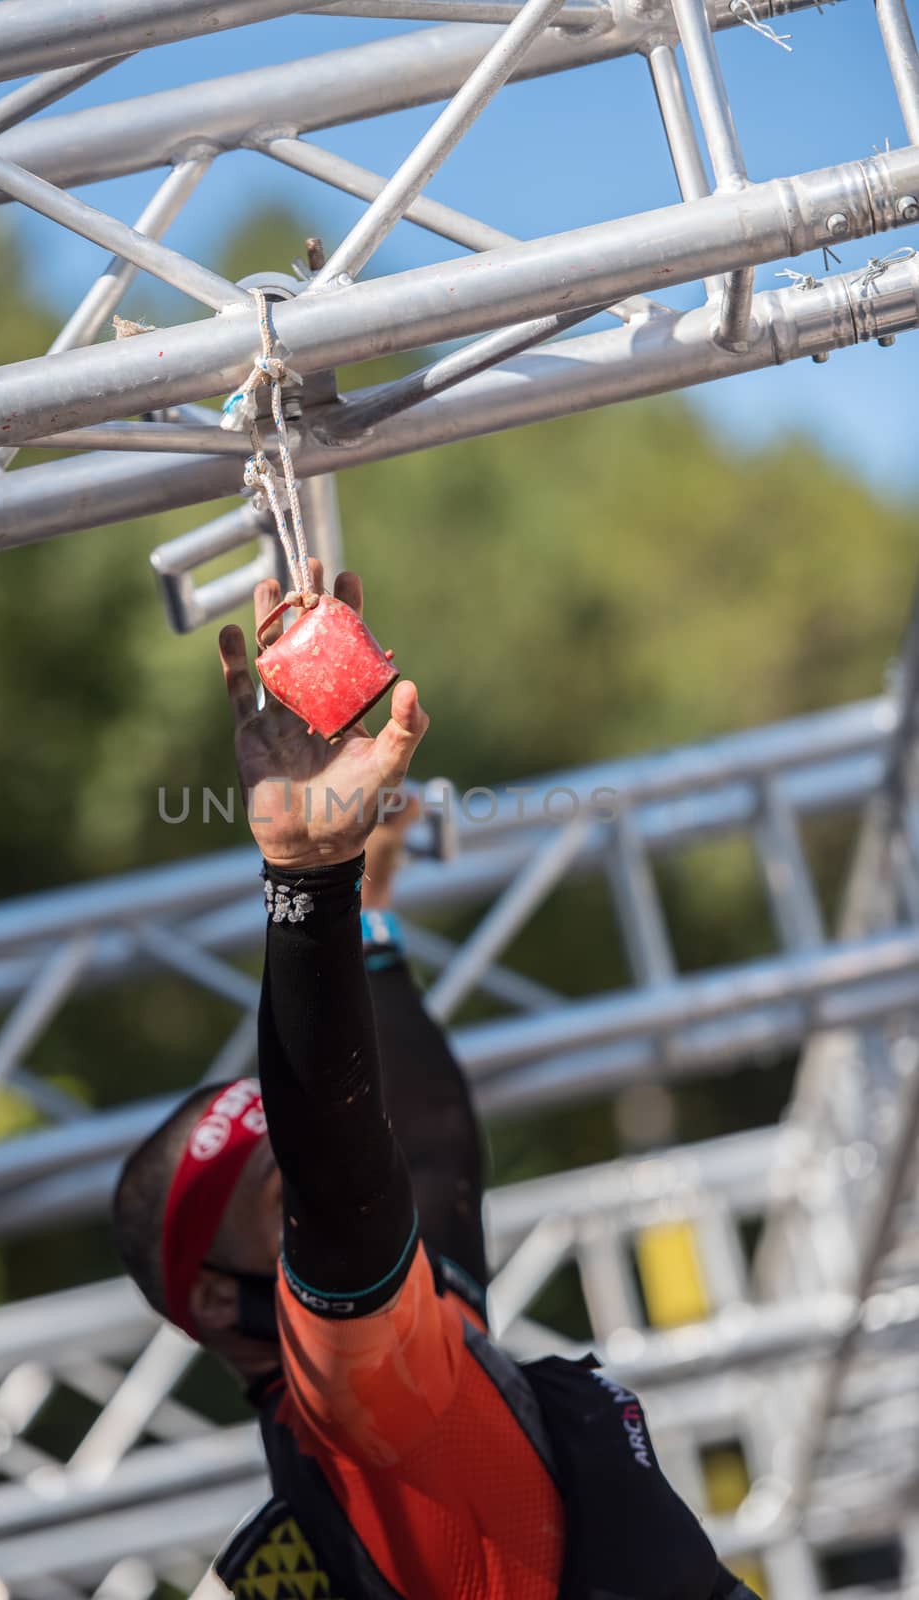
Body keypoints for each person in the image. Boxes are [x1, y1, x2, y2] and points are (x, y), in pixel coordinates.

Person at [113, 565, 755, 1600]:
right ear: (219, 1301)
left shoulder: (412, 1378)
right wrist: (307, 881)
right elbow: (339, 1153)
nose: (328, 1178)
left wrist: (361, 911)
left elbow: (432, 1150)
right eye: (280, 1196)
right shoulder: (355, 1391)